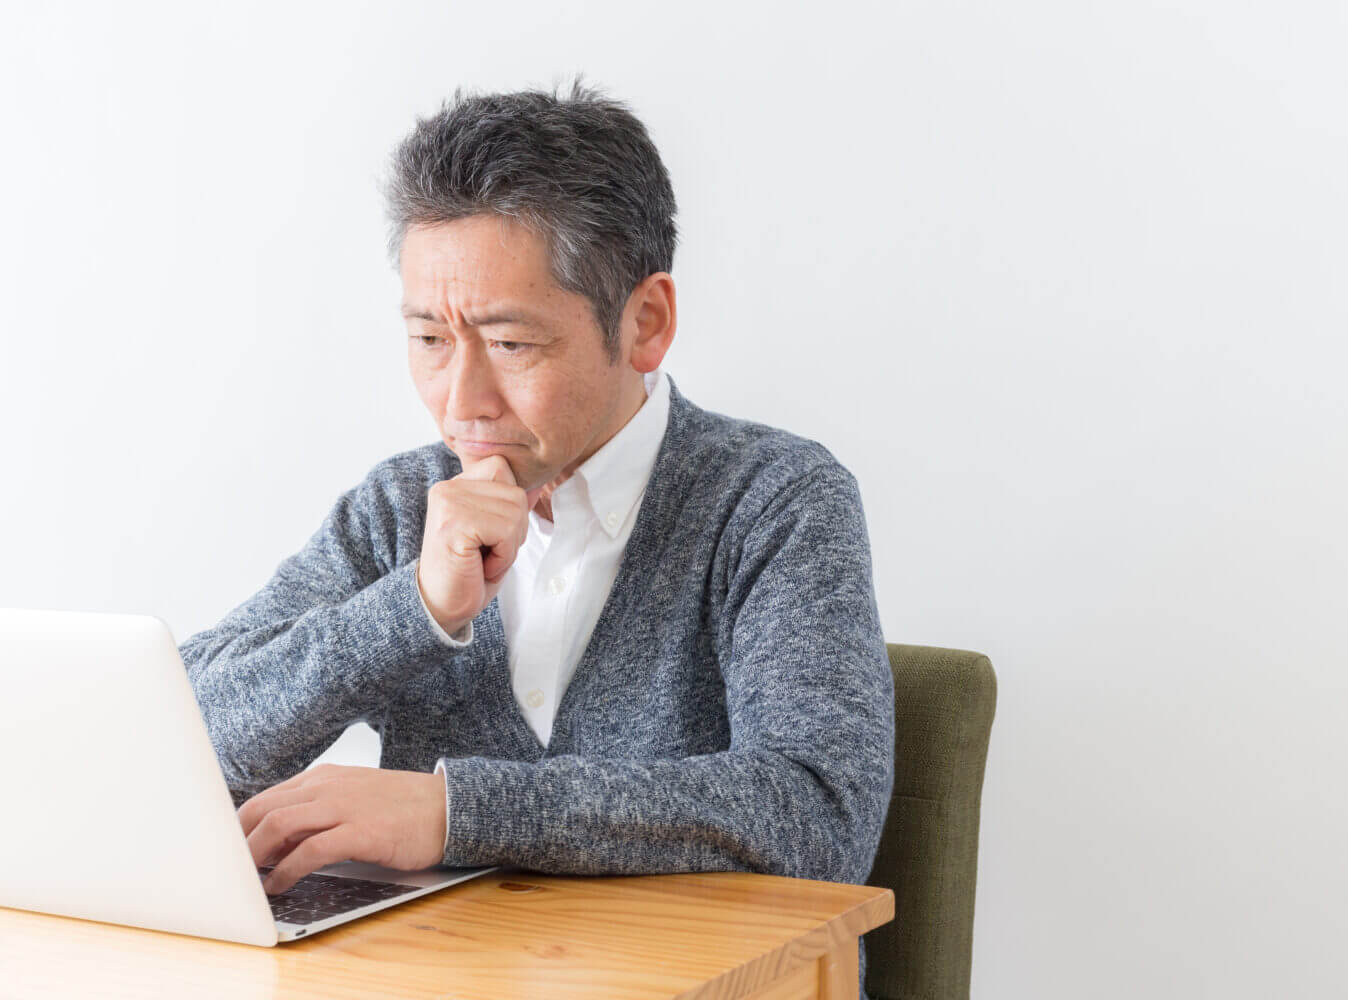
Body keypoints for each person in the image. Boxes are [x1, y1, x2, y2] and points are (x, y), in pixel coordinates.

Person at [180, 78, 894, 995]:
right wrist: (416, 610)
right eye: (430, 339)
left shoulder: (775, 501)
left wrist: (454, 812)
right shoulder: (405, 505)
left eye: (511, 344)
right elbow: (193, 732)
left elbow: (816, 814)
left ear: (646, 323)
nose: (460, 402)